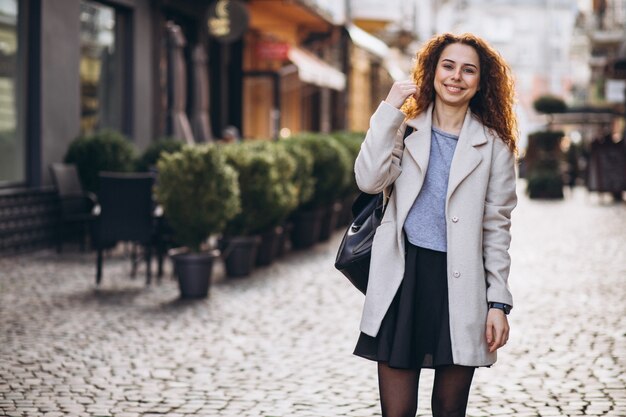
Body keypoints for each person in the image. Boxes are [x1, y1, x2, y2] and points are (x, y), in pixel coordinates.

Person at [352, 32, 518, 417]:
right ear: (432, 71)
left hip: (462, 286)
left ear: (481, 82)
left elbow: (497, 227)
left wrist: (498, 303)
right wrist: (389, 110)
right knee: (397, 412)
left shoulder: (495, 146)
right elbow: (368, 180)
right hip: (402, 280)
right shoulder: (404, 127)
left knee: (449, 409)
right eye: (448, 66)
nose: (456, 76)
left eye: (468, 70)